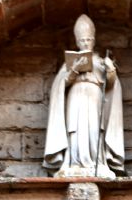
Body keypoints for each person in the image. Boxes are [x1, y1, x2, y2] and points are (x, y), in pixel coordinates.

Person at [43, 14, 125, 178]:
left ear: (93, 41)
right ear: (77, 42)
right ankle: (73, 163)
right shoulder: (71, 62)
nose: (85, 43)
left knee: (94, 129)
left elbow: (111, 85)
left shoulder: (101, 61)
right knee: (75, 129)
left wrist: (110, 69)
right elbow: (61, 84)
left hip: (94, 96)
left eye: (88, 40)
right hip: (75, 97)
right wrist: (74, 69)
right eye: (82, 41)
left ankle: (97, 163)